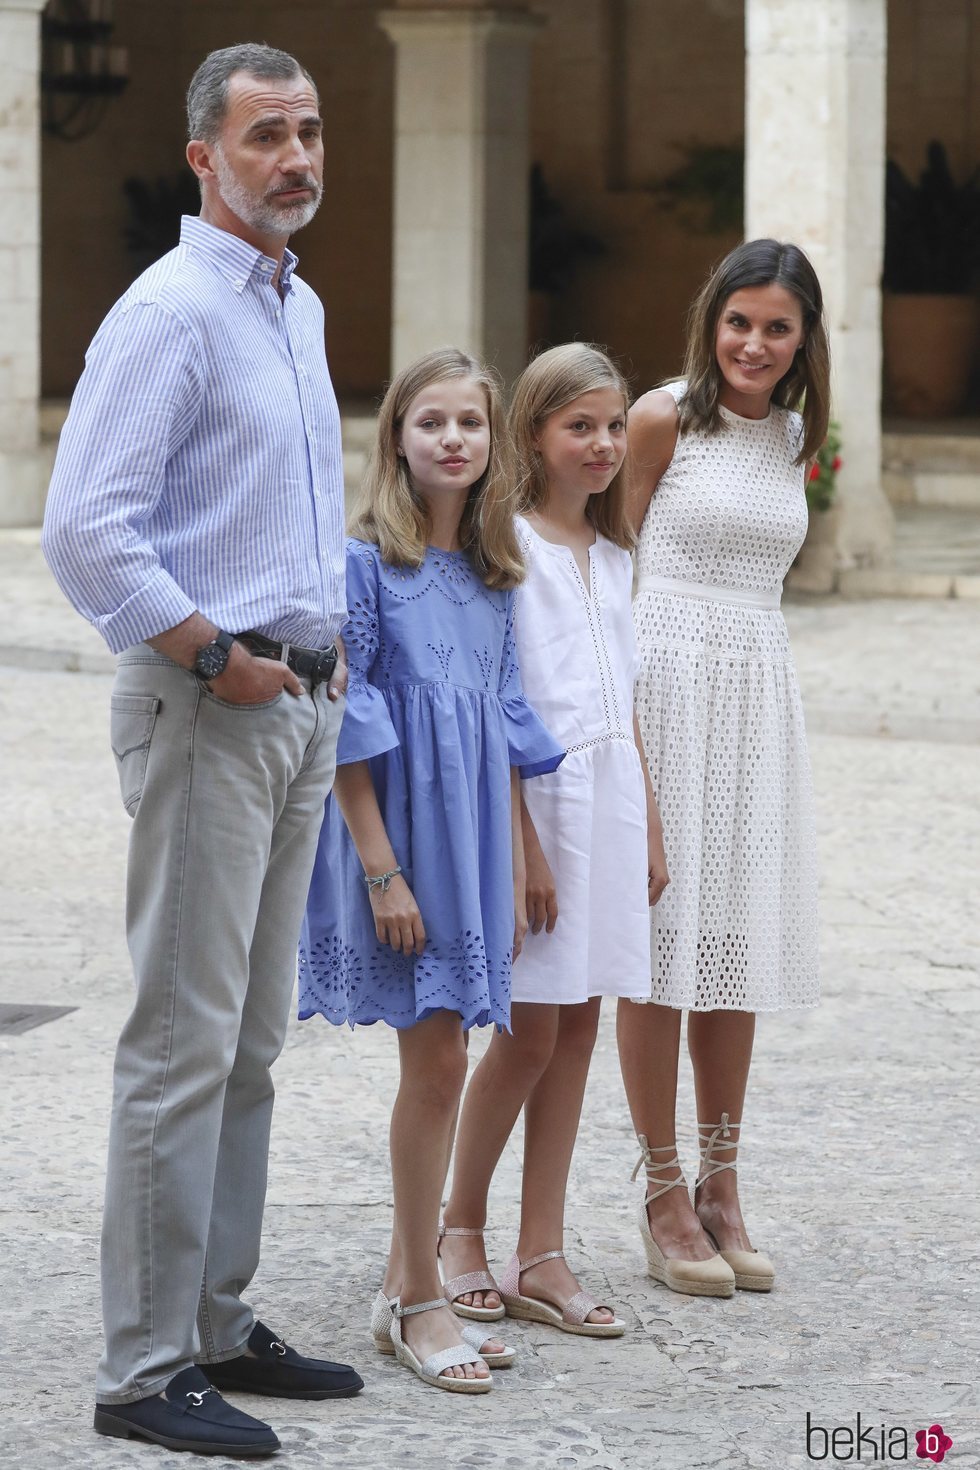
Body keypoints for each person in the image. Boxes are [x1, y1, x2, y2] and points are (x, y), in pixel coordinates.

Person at [42, 43, 362, 1458]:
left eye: (305, 132)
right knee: (179, 1039)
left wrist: (317, 668)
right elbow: (84, 530)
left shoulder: (293, 310)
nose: (292, 157)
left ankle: (219, 1319)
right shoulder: (168, 312)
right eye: (264, 137)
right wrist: (209, 654)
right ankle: (142, 1366)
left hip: (298, 707)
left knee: (250, 1039)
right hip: (208, 708)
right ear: (204, 158)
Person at [298, 347, 564, 1394]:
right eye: (430, 422)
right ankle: (416, 1300)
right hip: (397, 844)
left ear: (492, 444)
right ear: (396, 439)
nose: (452, 438)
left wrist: (514, 864)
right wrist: (379, 872)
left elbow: (497, 732)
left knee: (448, 1051)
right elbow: (346, 729)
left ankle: (407, 1282)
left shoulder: (495, 576)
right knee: (437, 1063)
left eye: (470, 423)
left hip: (472, 848)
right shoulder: (363, 565)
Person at [438, 343, 669, 1337]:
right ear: (530, 434)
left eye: (613, 426)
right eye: (579, 426)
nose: (604, 445)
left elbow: (628, 703)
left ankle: (542, 1248)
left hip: (611, 810)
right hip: (537, 810)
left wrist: (651, 823)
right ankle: (455, 1228)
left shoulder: (614, 556)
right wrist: (521, 846)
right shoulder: (504, 550)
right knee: (526, 1029)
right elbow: (495, 707)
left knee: (578, 1027)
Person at [617, 238, 828, 1298]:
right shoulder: (660, 417)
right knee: (660, 948)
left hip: (754, 700)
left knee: (731, 947)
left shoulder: (795, 436)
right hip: (663, 690)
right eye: (737, 320)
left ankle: (721, 1182)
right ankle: (658, 1190)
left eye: (776, 326)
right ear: (710, 320)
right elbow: (605, 575)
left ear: (802, 341)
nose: (752, 343)